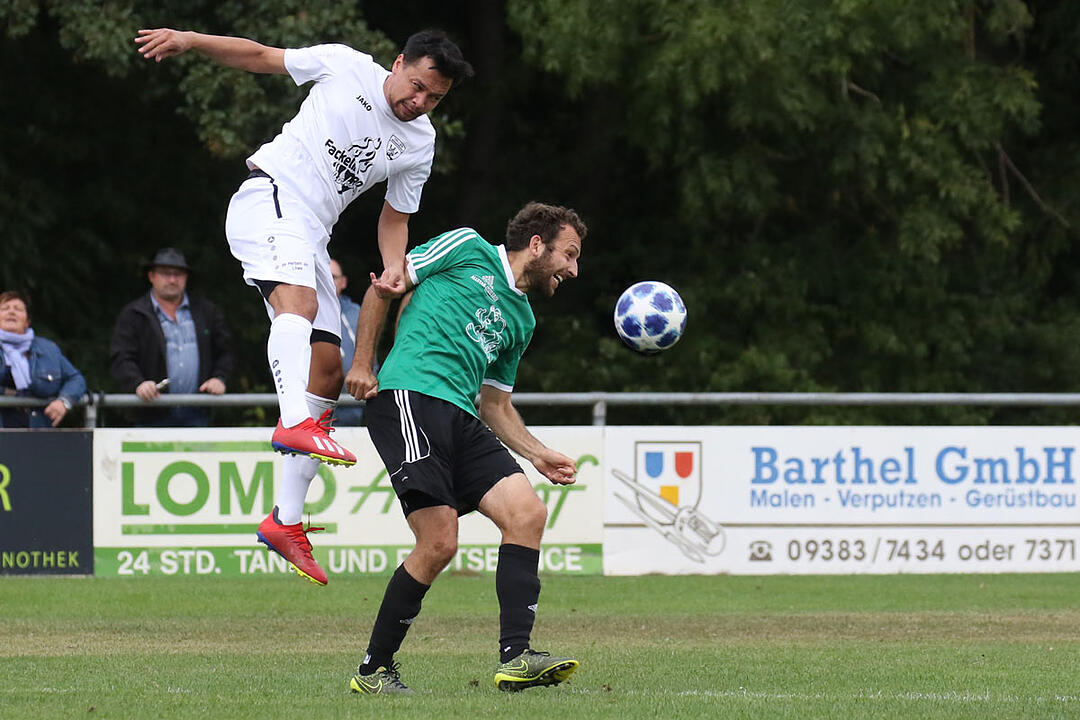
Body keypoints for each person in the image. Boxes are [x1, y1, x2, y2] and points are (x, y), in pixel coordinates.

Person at [135, 27, 473, 583]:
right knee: (299, 302)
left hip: (311, 233)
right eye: (415, 87)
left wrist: (395, 267)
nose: (419, 102)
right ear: (397, 64)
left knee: (328, 367)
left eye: (434, 98)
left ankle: (284, 521)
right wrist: (191, 40)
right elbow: (262, 56)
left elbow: (396, 218)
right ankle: (295, 422)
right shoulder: (344, 66)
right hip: (268, 198)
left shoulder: (420, 142)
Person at [343, 202, 586, 695]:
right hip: (410, 395)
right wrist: (364, 363)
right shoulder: (468, 247)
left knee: (527, 514)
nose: (573, 270)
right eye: (570, 254)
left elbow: (495, 404)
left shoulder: (522, 319)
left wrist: (537, 454)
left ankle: (516, 657)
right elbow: (385, 286)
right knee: (439, 542)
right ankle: (373, 671)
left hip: (463, 415)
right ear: (536, 245)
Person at [109, 248, 233, 427]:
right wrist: (138, 383)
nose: (173, 279)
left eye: (178, 274)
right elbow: (120, 357)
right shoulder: (133, 314)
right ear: (151, 276)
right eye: (166, 274)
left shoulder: (206, 311)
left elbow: (225, 351)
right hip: (150, 413)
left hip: (198, 413)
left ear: (186, 278)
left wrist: (219, 378)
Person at [0, 291, 87, 428]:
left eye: (18, 309)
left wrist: (63, 402)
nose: (11, 312)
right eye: (5, 308)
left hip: (38, 433)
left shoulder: (48, 349)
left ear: (27, 321)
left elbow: (76, 379)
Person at [329, 258, 370, 426]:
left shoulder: (359, 313)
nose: (328, 281)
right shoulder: (305, 313)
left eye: (333, 276)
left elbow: (371, 355)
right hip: (319, 409)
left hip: (359, 408)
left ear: (343, 282)